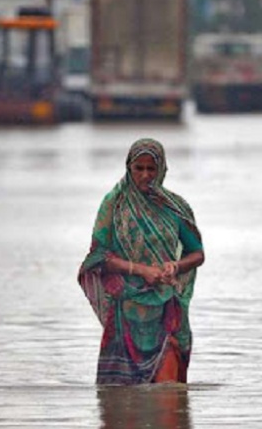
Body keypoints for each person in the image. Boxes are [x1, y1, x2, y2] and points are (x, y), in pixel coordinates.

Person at [78, 138, 205, 385]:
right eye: (139, 168)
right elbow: (98, 257)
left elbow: (197, 253)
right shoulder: (113, 206)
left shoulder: (175, 208)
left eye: (151, 169)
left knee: (170, 399)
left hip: (167, 309)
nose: (145, 175)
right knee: (121, 407)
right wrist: (141, 270)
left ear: (162, 169)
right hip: (126, 312)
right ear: (129, 168)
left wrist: (175, 266)